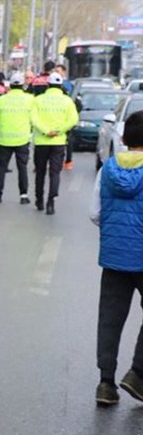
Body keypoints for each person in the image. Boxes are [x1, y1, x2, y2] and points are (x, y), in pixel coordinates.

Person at [89, 110, 143, 407]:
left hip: (114, 257)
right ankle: (137, 373)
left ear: (123, 138)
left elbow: (95, 214)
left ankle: (106, 383)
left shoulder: (108, 168)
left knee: (110, 320)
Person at [30, 72, 78, 215]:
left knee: (40, 172)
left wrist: (46, 131)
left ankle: (39, 200)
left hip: (41, 142)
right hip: (58, 142)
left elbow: (33, 119)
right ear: (61, 85)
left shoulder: (38, 100)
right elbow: (73, 120)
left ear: (48, 85)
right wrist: (59, 131)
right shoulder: (67, 101)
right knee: (55, 173)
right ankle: (51, 202)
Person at [0, 73, 34, 205]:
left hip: (5, 139)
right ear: (23, 85)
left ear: (9, 85)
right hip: (22, 139)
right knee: (22, 168)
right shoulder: (30, 99)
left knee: (1, 167)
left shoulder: (1, 100)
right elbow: (33, 119)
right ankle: (23, 195)